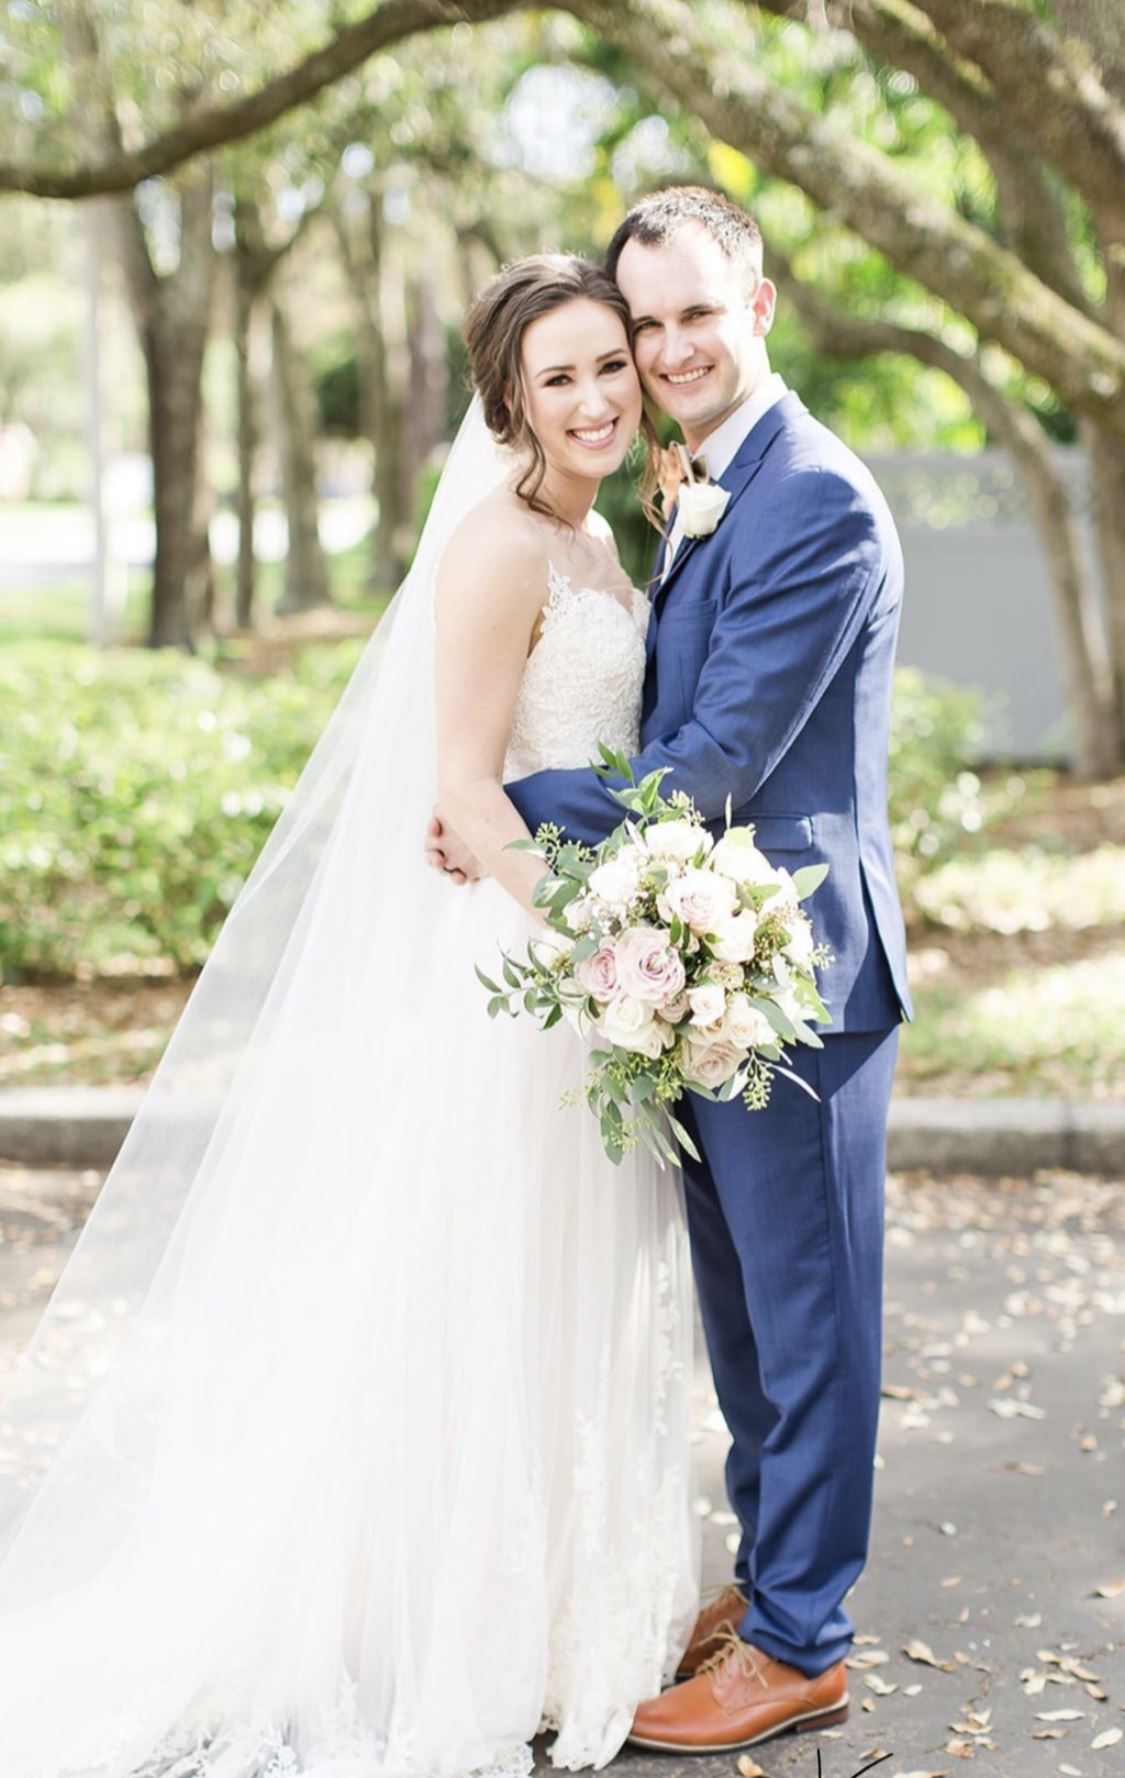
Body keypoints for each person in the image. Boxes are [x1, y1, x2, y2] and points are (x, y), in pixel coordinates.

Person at [0, 256, 699, 1778]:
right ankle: (430, 1629)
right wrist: (600, 943)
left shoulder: (607, 538)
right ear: (508, 399)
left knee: (569, 1292)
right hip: (526, 981)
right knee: (479, 1291)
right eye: (556, 376)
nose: (590, 397)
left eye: (607, 365)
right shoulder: (501, 547)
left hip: (597, 970)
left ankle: (557, 1609)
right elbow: (457, 787)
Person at [428, 186, 913, 1754]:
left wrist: (516, 805)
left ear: (757, 305)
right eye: (646, 324)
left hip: (794, 976)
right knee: (747, 1315)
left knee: (806, 1313)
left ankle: (801, 1639)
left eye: (695, 312)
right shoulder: (701, 485)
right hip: (696, 963)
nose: (666, 347)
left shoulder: (812, 497)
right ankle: (774, 1584)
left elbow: (709, 761)